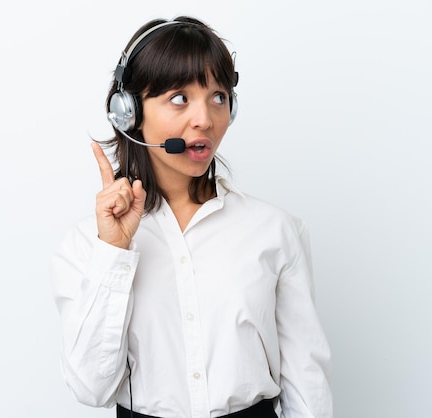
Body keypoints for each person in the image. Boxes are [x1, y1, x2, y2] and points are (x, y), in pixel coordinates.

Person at [51, 16, 332, 418]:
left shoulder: (276, 230)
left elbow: (308, 384)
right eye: (180, 98)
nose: (205, 119)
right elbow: (90, 388)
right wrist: (113, 251)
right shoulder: (87, 245)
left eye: (218, 97)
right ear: (128, 113)